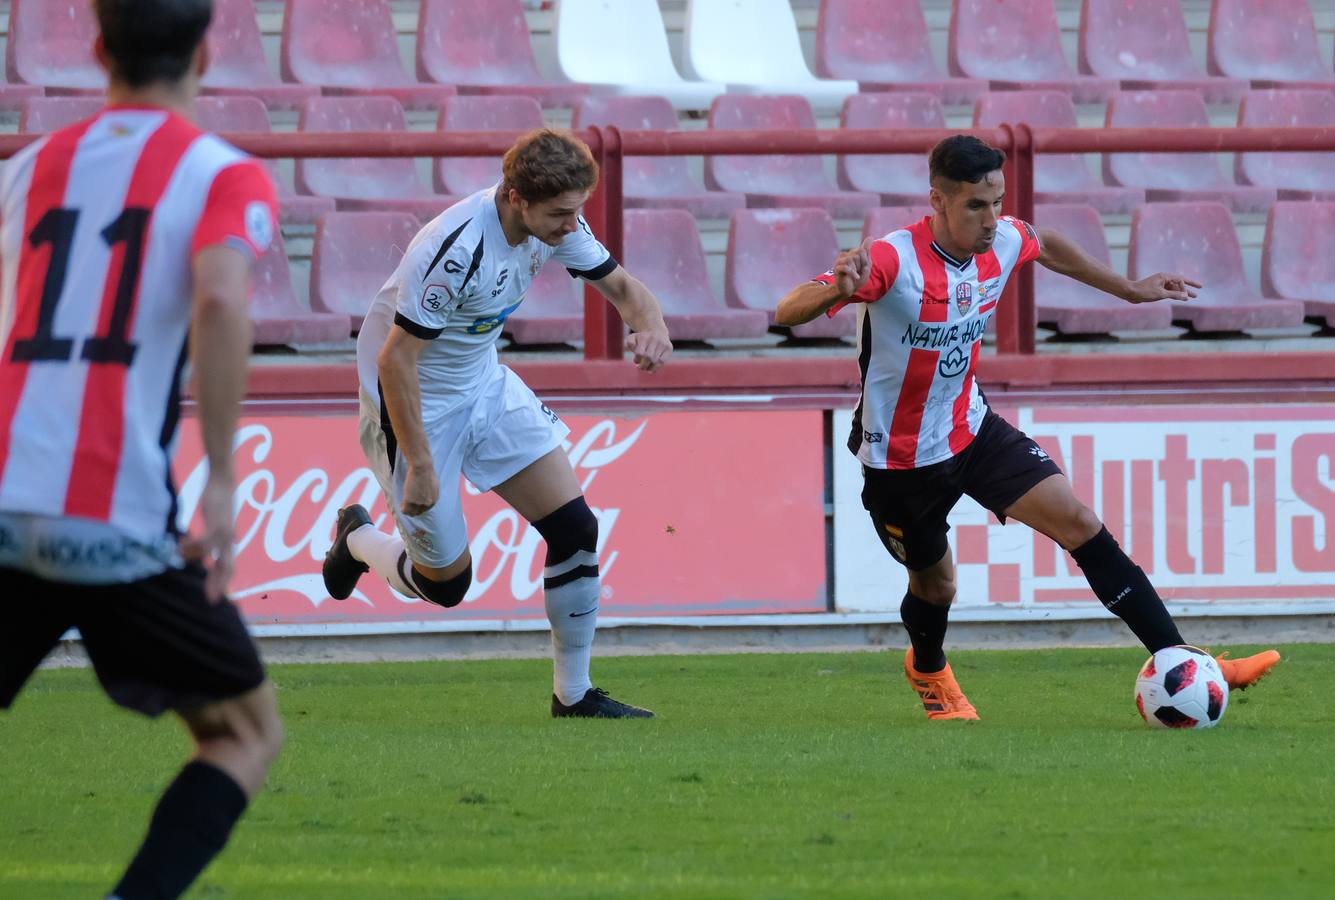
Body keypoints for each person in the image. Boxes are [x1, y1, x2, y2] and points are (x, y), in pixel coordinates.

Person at [776, 135, 1280, 721]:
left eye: (997, 203)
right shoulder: (893, 260)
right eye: (975, 207)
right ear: (937, 200)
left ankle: (1182, 660)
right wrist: (833, 288)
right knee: (936, 587)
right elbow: (787, 309)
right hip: (901, 463)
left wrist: (1128, 288)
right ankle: (929, 667)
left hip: (973, 429)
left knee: (1081, 522)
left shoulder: (1002, 238)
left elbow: (1043, 244)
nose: (992, 220)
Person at [0, 2, 283, 897]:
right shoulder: (222, 175)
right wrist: (226, 481)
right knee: (243, 733)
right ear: (205, 52)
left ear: (95, 49)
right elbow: (220, 301)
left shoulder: (28, 167)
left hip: (3, 501)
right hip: (111, 517)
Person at [323, 129, 672, 719]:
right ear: (516, 198)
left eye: (577, 211)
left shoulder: (554, 224)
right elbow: (394, 359)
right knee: (447, 586)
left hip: (484, 385)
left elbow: (622, 288)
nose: (572, 226)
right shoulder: (456, 250)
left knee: (575, 528)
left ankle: (574, 695)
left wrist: (651, 325)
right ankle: (357, 541)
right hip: (414, 406)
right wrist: (424, 467)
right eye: (561, 215)